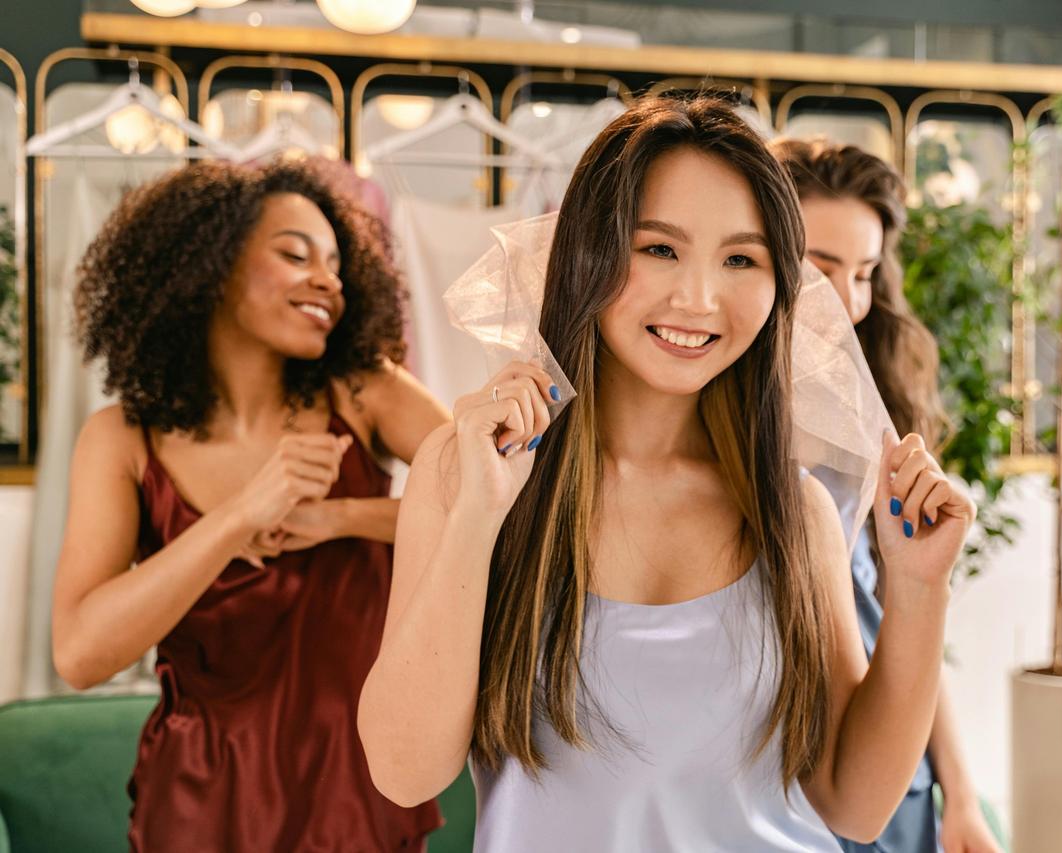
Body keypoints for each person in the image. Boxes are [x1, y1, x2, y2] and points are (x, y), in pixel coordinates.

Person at [359, 95, 974, 852]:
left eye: (742, 259)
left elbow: (854, 804)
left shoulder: (794, 509)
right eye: (659, 248)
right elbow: (403, 771)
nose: (699, 299)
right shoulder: (464, 473)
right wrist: (480, 515)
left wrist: (920, 589)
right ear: (588, 252)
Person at [50, 160, 449, 850]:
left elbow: (512, 504)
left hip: (353, 791)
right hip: (197, 803)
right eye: (295, 255)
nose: (328, 280)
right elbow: (82, 653)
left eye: (335, 263)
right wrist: (238, 518)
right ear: (209, 266)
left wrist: (340, 517)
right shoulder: (122, 439)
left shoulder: (363, 393)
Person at [773, 136, 1002, 853]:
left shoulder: (871, 431)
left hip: (888, 767)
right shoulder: (704, 427)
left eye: (866, 273)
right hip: (778, 774)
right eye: (821, 267)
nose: (848, 300)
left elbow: (903, 623)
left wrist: (960, 795)